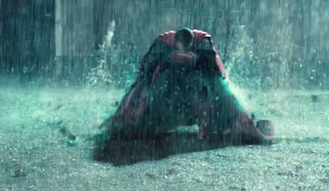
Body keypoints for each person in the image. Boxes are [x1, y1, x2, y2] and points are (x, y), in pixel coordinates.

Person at [101, 28, 273, 145]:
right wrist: (128, 111)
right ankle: (128, 120)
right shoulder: (163, 44)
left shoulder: (203, 44)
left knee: (218, 86)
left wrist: (239, 118)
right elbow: (143, 78)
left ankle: (240, 122)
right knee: (143, 89)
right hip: (167, 85)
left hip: (198, 83)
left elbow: (218, 78)